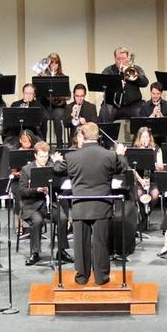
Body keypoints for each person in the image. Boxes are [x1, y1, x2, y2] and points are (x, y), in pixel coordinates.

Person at [51, 122, 129, 285]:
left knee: (80, 244)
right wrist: (120, 153)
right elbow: (122, 167)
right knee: (100, 243)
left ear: (83, 136)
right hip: (102, 205)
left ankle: (82, 277)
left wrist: (57, 160)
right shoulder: (109, 155)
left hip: (80, 205)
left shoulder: (72, 156)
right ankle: (101, 277)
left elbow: (58, 170)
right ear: (98, 136)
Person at [18, 141, 71, 266]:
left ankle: (61, 251)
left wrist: (52, 187)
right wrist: (36, 190)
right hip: (32, 206)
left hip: (48, 204)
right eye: (41, 156)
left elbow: (59, 187)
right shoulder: (26, 169)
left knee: (63, 218)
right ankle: (35, 253)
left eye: (46, 156)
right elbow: (22, 190)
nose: (44, 159)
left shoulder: (52, 167)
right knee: (37, 221)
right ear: (35, 155)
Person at [99, 46, 148, 122]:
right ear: (115, 59)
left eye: (123, 58)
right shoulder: (108, 70)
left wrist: (133, 76)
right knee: (105, 111)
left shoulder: (135, 69)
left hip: (133, 105)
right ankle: (106, 134)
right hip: (114, 105)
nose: (121, 61)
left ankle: (140, 134)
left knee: (142, 111)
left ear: (128, 58)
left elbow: (145, 82)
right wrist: (116, 85)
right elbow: (101, 85)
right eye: (118, 59)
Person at [34, 52, 70, 145]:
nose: (54, 65)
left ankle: (59, 143)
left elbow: (68, 95)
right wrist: (44, 80)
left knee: (57, 116)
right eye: (51, 63)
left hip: (58, 106)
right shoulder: (41, 76)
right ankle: (43, 143)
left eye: (56, 63)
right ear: (48, 65)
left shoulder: (62, 77)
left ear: (59, 64)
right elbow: (37, 95)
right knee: (43, 116)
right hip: (45, 105)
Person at [3, 83, 45, 148]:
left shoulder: (39, 106)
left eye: (30, 93)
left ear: (34, 95)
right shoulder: (15, 104)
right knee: (9, 147)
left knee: (38, 146)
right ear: (23, 93)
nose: (28, 95)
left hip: (32, 134)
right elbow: (9, 122)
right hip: (16, 133)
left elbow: (41, 123)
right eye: (26, 93)